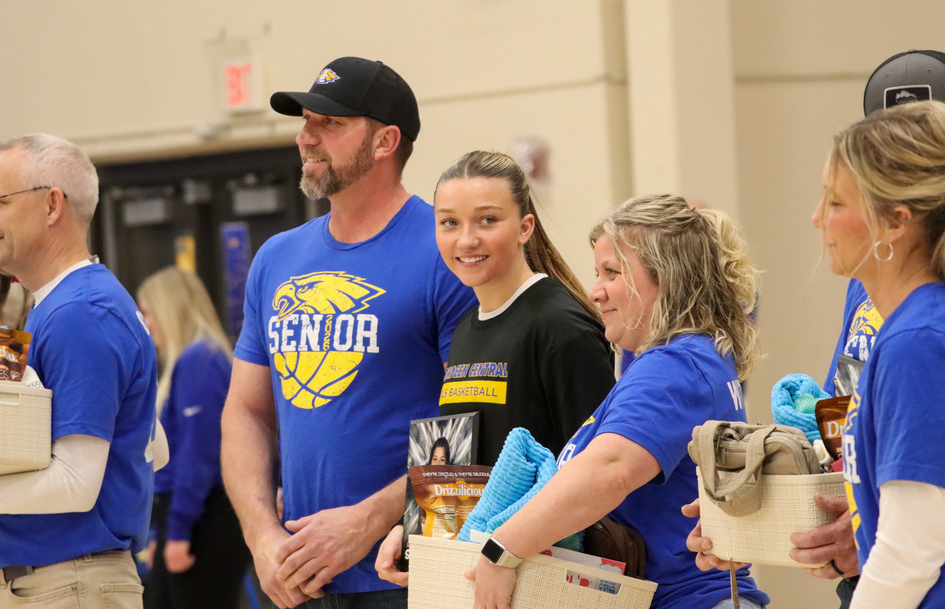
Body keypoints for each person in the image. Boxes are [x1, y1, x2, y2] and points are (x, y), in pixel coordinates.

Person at [221, 56, 477, 609]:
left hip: (412, 572)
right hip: (298, 578)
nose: (305, 137)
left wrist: (369, 520)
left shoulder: (447, 252)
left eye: (329, 124)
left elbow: (477, 425)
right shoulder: (276, 259)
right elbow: (245, 411)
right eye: (306, 121)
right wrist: (262, 536)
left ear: (385, 142)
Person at [468, 194, 770, 609]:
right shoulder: (686, 357)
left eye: (612, 273)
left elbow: (610, 470)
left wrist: (501, 551)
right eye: (598, 272)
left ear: (669, 279)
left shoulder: (675, 365)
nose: (595, 292)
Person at [815, 100, 945, 607]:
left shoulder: (922, 342)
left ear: (894, 223)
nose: (817, 217)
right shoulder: (923, 326)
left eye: (836, 202)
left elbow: (912, 550)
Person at [374, 150, 616, 585]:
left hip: (540, 575)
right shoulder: (466, 326)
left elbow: (594, 474)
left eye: (487, 220)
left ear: (525, 228)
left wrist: (507, 553)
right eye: (449, 223)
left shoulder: (560, 325)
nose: (466, 240)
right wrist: (412, 531)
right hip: (479, 573)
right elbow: (461, 461)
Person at [0, 134, 160, 608]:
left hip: (68, 583)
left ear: (52, 205)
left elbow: (75, 482)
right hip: (55, 581)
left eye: (1, 201)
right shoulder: (51, 308)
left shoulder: (81, 312)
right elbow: (153, 442)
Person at [137, 267, 251, 609]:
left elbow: (197, 457)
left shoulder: (200, 361)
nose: (147, 324)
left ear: (171, 310)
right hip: (188, 514)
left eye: (149, 312)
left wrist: (179, 533)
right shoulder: (192, 361)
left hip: (206, 518)